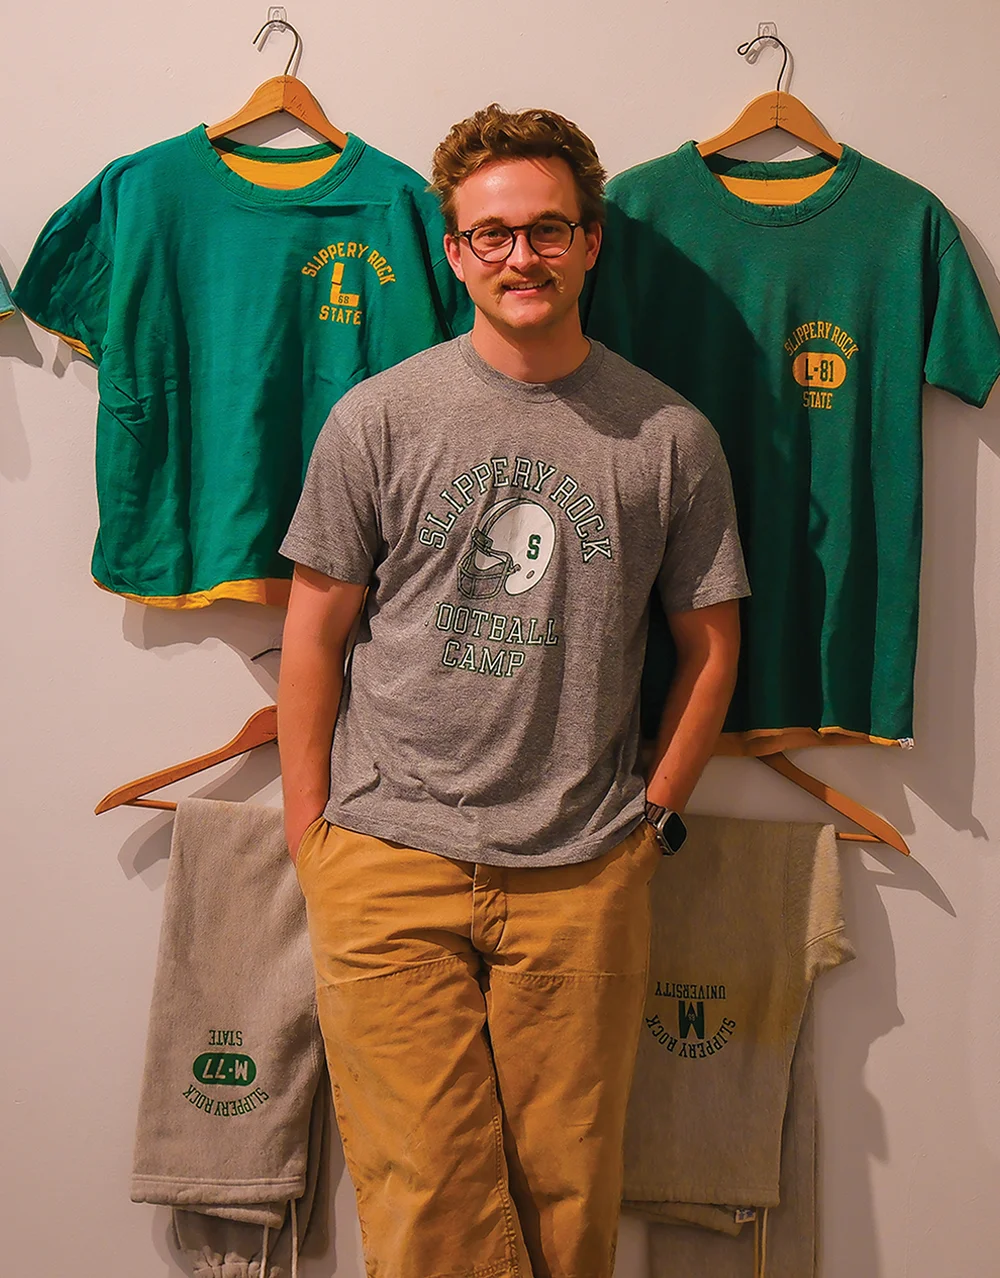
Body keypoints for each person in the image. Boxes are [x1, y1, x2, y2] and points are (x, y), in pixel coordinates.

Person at [277, 103, 749, 1278]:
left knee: (569, 1198)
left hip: (584, 865)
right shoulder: (379, 418)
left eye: (546, 231)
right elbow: (311, 639)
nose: (519, 257)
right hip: (388, 853)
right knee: (424, 1196)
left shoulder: (667, 437)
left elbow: (711, 649)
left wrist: (656, 815)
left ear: (592, 243)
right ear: (453, 252)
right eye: (490, 236)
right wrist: (310, 841)